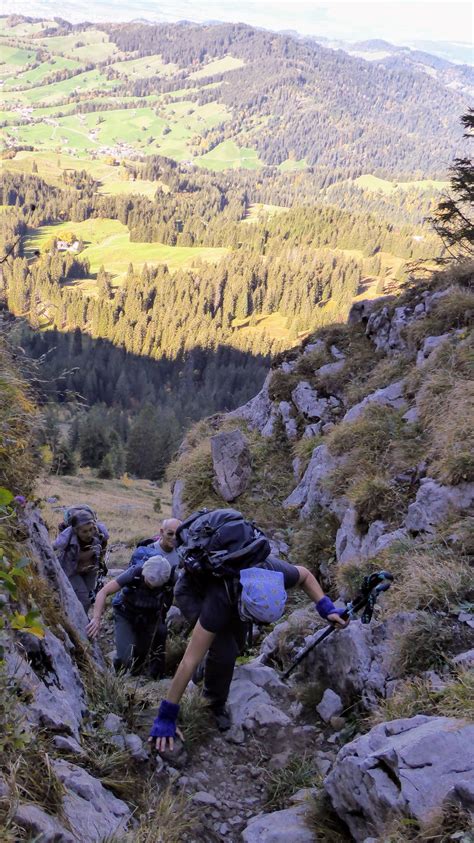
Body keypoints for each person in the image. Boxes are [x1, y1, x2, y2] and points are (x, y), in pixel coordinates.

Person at [149, 554, 348, 751]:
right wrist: (166, 715)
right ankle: (213, 703)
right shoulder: (218, 602)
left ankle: (206, 674)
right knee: (224, 650)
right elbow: (188, 660)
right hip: (194, 593)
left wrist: (326, 608)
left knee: (237, 643)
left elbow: (304, 575)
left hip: (235, 595)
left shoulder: (271, 570)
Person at [87, 555, 177, 679]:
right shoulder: (134, 573)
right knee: (125, 657)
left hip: (150, 617)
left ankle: (135, 676)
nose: (151, 587)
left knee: (140, 656)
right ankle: (118, 670)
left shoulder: (171, 579)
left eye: (155, 586)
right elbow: (103, 592)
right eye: (148, 583)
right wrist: (96, 619)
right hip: (125, 614)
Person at [53, 510, 109, 612]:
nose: (89, 534)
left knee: (88, 596)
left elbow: (103, 546)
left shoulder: (99, 534)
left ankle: (80, 619)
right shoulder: (67, 538)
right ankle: (81, 624)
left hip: (90, 571)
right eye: (84, 531)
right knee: (85, 600)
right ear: (75, 531)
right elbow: (54, 547)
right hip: (72, 572)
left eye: (91, 529)